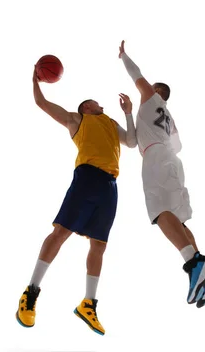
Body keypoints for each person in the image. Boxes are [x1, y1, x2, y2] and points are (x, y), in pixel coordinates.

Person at [16, 66, 137, 335]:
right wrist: (35, 79)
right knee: (60, 233)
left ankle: (88, 304)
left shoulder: (110, 123)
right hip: (87, 178)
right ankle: (31, 292)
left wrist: (129, 113)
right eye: (95, 102)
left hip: (110, 185)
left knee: (99, 245)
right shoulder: (76, 120)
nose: (101, 104)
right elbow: (41, 103)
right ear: (85, 107)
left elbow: (131, 141)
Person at [118, 40, 205, 308]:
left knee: (159, 213)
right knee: (178, 221)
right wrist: (130, 115)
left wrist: (123, 56)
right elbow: (164, 144)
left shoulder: (151, 98)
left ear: (156, 91)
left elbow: (136, 75)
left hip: (155, 157)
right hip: (173, 161)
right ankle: (200, 269)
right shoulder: (169, 118)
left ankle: (195, 263)